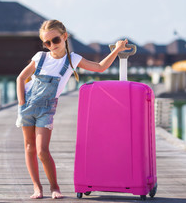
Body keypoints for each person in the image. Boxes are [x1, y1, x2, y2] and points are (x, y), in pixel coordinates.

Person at [16, 20, 130, 199]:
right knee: (29, 147)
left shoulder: (73, 59)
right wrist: (22, 103)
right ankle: (37, 188)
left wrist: (116, 50)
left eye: (55, 40)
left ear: (64, 37)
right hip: (28, 106)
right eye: (47, 43)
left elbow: (100, 67)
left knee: (41, 150)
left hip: (46, 109)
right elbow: (21, 79)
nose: (52, 46)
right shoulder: (40, 57)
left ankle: (55, 187)